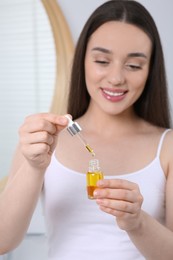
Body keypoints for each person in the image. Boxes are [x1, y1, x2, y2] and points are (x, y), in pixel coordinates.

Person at [0, 0, 173, 259]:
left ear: (150, 71)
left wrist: (137, 223)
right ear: (82, 60)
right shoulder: (45, 141)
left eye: (134, 65)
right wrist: (34, 167)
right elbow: (3, 241)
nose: (116, 78)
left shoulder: (167, 147)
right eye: (102, 61)